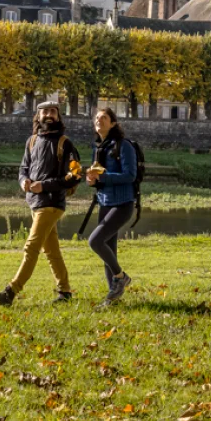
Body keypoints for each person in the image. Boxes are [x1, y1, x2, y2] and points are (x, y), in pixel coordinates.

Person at [0, 101, 80, 306]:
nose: (48, 115)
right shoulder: (31, 141)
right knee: (51, 250)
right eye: (44, 112)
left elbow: (74, 176)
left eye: (52, 112)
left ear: (58, 116)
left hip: (52, 203)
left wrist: (44, 186)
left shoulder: (65, 143)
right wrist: (24, 181)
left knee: (31, 247)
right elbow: (23, 168)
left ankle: (10, 292)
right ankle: (65, 292)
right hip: (34, 203)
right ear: (37, 116)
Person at [86, 107, 137, 305]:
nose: (99, 120)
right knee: (109, 250)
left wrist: (103, 177)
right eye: (97, 118)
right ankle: (112, 298)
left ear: (113, 123)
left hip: (123, 204)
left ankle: (120, 276)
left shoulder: (124, 146)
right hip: (105, 202)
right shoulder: (98, 148)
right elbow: (100, 176)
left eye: (104, 118)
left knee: (95, 241)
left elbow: (129, 175)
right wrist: (94, 181)